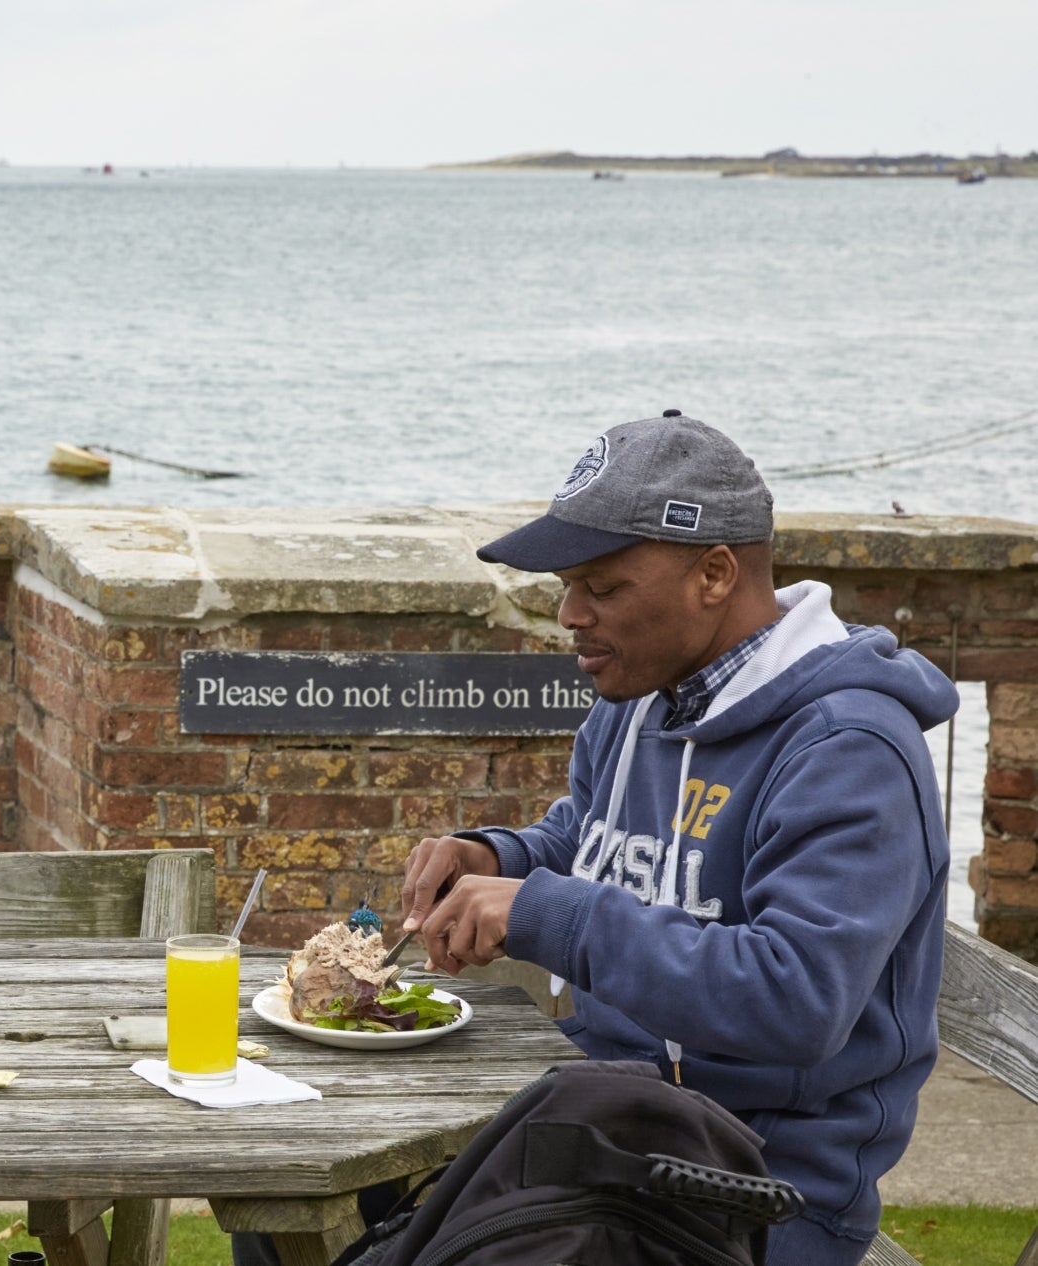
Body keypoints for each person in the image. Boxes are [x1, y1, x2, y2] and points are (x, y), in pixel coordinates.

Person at [402, 413, 956, 1264]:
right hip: (610, 1123)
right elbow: (593, 838)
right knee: (300, 1200)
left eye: (604, 586)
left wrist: (555, 915)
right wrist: (500, 859)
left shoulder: (851, 748)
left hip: (759, 1190)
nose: (569, 614)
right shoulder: (639, 702)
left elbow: (798, 998)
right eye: (567, 585)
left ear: (715, 572)